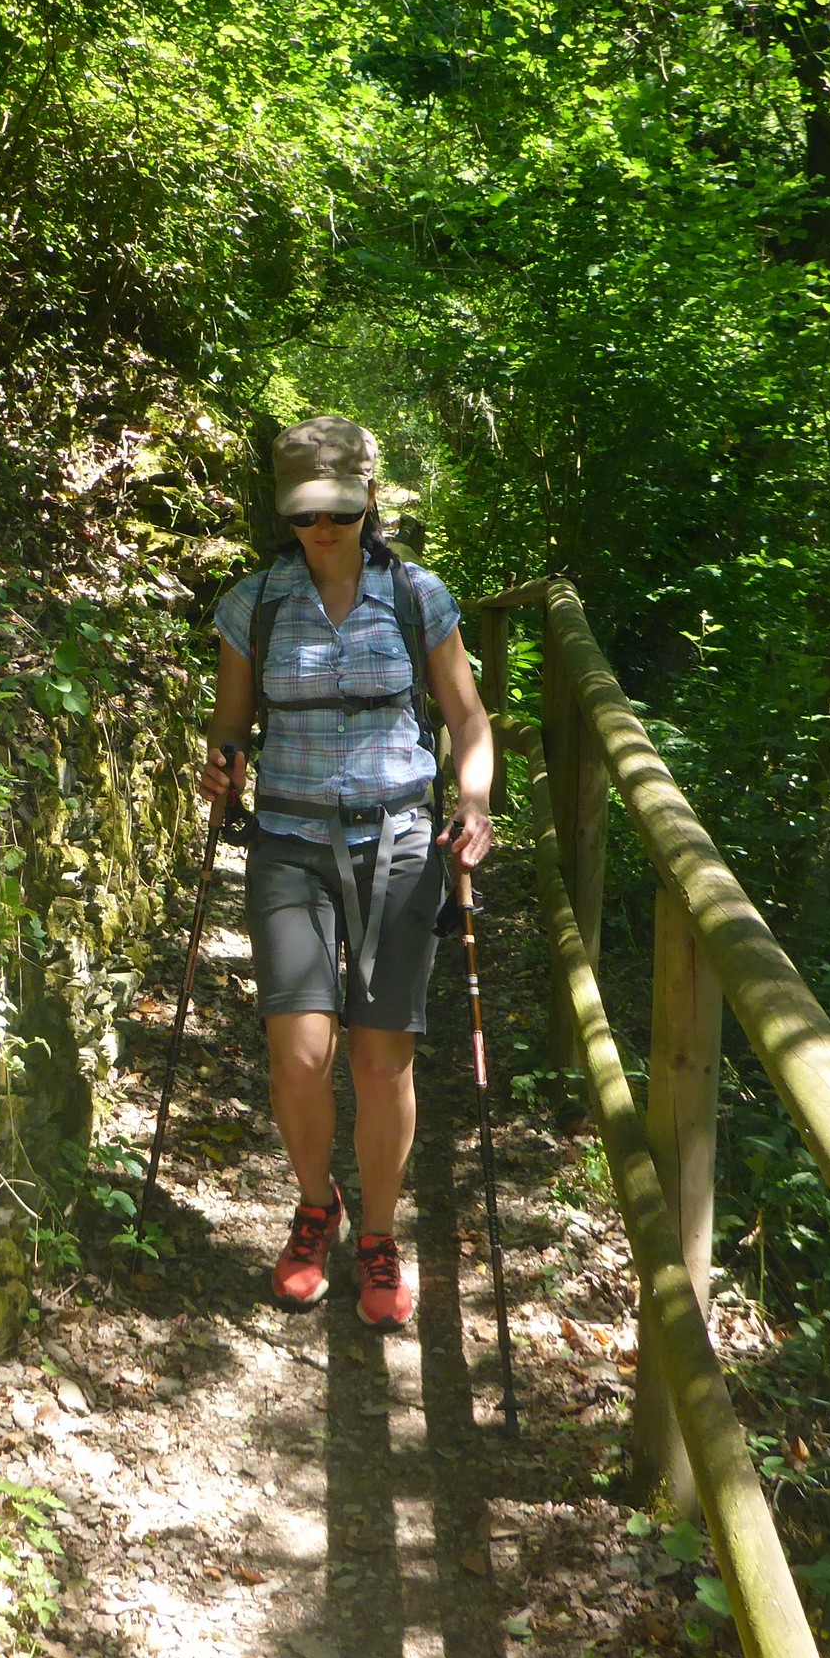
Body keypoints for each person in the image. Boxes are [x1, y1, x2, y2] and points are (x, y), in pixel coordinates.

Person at [202, 415, 495, 1328]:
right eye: (305, 514)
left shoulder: (417, 598)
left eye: (338, 510)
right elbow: (231, 721)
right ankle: (311, 1206)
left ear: (369, 500)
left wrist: (475, 802)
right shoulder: (256, 603)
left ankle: (376, 1235)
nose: (323, 529)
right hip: (289, 843)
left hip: (402, 845)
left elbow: (469, 721)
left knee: (381, 1056)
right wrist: (222, 761)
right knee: (299, 1053)